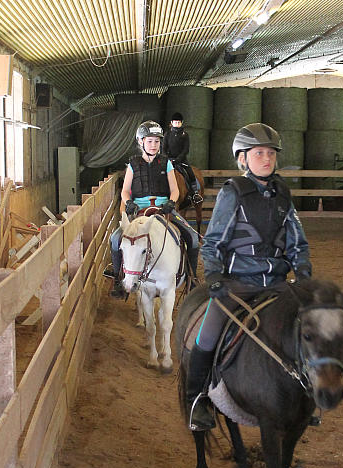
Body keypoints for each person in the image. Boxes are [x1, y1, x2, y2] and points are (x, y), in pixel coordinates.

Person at [184, 122, 312, 430]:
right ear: (243, 159)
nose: (266, 159)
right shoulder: (233, 193)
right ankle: (197, 400)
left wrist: (303, 272)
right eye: (258, 153)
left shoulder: (283, 193)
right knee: (207, 335)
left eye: (271, 153)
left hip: (277, 284)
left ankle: (307, 394)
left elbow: (297, 241)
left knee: (311, 329)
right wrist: (214, 274)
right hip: (239, 283)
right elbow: (213, 241)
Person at [104, 120, 200, 297]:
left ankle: (192, 279)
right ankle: (118, 280)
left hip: (163, 210)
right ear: (141, 142)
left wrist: (171, 202)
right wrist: (129, 202)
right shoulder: (132, 164)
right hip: (139, 211)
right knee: (115, 238)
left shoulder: (166, 163)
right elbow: (125, 190)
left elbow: (175, 190)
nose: (154, 145)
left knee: (193, 238)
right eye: (150, 141)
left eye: (157, 141)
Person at [163, 112, 203, 205]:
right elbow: (164, 148)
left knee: (190, 173)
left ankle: (195, 193)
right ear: (172, 123)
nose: (177, 124)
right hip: (169, 160)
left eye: (179, 122)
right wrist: (167, 159)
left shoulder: (185, 135)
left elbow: (185, 150)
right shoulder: (167, 134)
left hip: (181, 160)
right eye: (175, 122)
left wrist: (177, 160)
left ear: (181, 123)